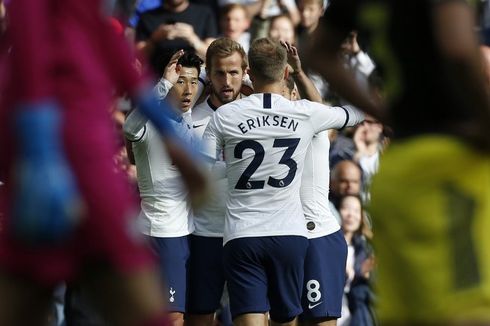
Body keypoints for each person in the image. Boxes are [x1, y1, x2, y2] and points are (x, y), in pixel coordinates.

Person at [0, 1, 207, 325]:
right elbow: (34, 67)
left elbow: (122, 66)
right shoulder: (46, 14)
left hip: (57, 174)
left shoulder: (83, 18)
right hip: (75, 172)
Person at [308, 0, 490, 323]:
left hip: (398, 167)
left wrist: (391, 114)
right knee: (467, 313)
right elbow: (458, 47)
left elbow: (317, 52)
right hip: (449, 166)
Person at [202, 37, 364, 326]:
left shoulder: (224, 116)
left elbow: (202, 168)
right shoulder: (305, 113)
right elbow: (353, 114)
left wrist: (232, 170)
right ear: (286, 73)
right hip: (290, 234)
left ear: (249, 72)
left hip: (243, 233)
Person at [124, 51, 203, 326]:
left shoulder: (186, 119)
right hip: (163, 234)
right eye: (181, 82)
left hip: (179, 232)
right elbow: (130, 127)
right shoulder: (149, 124)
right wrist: (163, 83)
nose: (189, 90)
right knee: (172, 317)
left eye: (194, 82)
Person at [281, 41, 348, 326]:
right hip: (281, 235)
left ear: (294, 93)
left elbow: (318, 105)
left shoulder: (313, 122)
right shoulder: (260, 127)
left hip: (317, 236)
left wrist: (298, 73)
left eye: (281, 93)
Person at [186, 38, 248, 326]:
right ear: (207, 75)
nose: (227, 80)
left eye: (234, 72)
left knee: (257, 316)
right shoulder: (189, 120)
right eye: (219, 73)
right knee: (200, 316)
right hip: (204, 234)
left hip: (248, 234)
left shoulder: (258, 117)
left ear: (245, 72)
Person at [135, 0, 218, 74]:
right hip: (157, 78)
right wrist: (155, 39)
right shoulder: (147, 17)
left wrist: (193, 39)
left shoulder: (204, 13)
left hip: (194, 78)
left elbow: (213, 55)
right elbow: (137, 56)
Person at [339, 195, 375, 326]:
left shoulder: (363, 248)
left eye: (356, 211)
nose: (350, 215)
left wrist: (363, 274)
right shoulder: (329, 245)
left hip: (353, 314)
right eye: (346, 208)